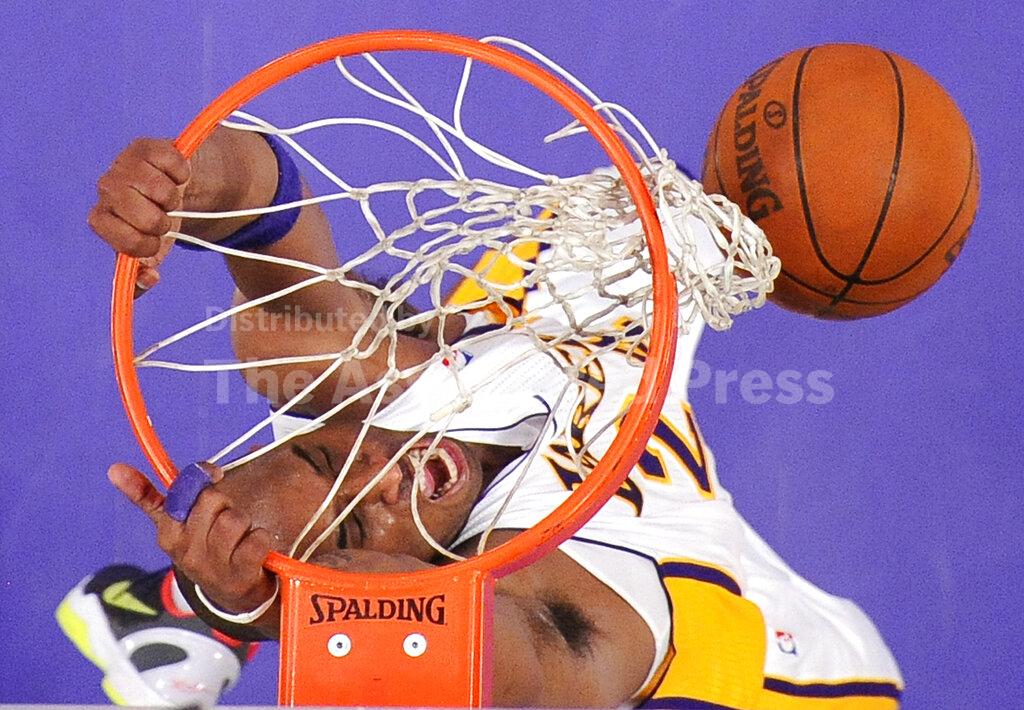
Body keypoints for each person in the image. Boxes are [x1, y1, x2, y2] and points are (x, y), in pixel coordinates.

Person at [61, 128, 904, 708]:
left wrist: (185, 177)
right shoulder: (585, 597)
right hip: (786, 680)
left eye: (327, 462)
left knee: (314, 364)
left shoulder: (360, 381)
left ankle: (195, 607)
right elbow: (498, 651)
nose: (380, 482)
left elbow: (259, 196)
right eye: (358, 535)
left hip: (630, 448)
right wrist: (271, 609)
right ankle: (217, 610)